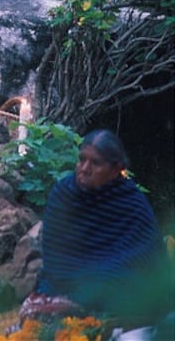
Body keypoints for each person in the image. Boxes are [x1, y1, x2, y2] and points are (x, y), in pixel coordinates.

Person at [20, 129, 171, 331]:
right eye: (81, 160)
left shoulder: (132, 204)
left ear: (116, 168)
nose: (84, 168)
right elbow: (56, 261)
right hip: (65, 286)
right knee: (33, 322)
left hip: (117, 297)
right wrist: (48, 298)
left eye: (95, 163)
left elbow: (142, 265)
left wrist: (81, 300)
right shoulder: (64, 194)